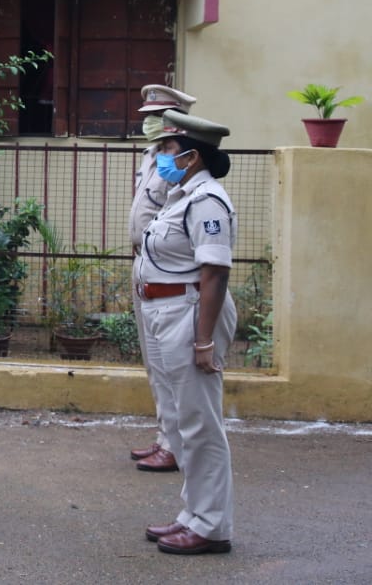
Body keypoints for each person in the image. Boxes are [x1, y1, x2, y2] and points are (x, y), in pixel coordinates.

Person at [137, 110, 237, 555]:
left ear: (192, 157)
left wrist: (204, 340)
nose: (160, 156)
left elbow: (215, 273)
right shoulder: (181, 196)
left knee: (201, 424)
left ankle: (211, 526)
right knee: (183, 421)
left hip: (191, 313)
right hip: (167, 310)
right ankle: (193, 514)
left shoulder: (207, 201)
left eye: (168, 149)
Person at [127, 84, 197, 473]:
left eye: (158, 117)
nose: (150, 123)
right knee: (154, 362)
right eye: (148, 117)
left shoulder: (184, 162)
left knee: (173, 364)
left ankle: (177, 444)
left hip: (171, 270)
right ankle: (165, 435)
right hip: (144, 264)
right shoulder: (151, 156)